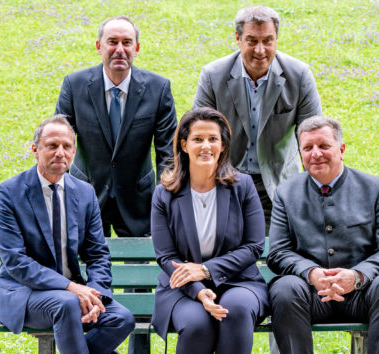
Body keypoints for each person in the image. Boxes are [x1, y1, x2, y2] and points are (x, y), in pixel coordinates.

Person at [0, 115, 134, 353]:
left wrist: (95, 293)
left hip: (75, 295)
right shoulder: (8, 194)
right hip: (25, 295)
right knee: (66, 304)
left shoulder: (85, 193)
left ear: (74, 151)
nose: (60, 152)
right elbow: (16, 262)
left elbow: (97, 254)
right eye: (52, 146)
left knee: (122, 318)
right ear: (35, 150)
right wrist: (70, 287)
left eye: (67, 146)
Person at [267, 116, 379, 354]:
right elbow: (278, 253)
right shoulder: (285, 193)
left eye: (323, 146)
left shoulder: (374, 189)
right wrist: (311, 273)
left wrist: (357, 275)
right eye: (307, 148)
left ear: (341, 149)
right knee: (284, 289)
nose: (315, 154)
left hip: (361, 295)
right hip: (310, 295)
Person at [150, 107, 269, 354]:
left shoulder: (243, 186)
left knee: (234, 310)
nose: (206, 146)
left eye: (213, 139)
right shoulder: (164, 194)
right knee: (196, 324)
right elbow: (166, 256)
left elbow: (254, 246)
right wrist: (198, 289)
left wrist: (205, 270)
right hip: (183, 287)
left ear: (223, 145)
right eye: (198, 139)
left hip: (238, 282)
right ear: (184, 145)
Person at [193, 5, 322, 224]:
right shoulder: (213, 76)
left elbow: (314, 138)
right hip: (226, 180)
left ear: (277, 39)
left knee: (276, 253)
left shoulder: (299, 76)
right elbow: (197, 136)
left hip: (278, 182)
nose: (260, 50)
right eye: (252, 41)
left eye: (267, 41)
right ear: (238, 39)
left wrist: (318, 192)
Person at [55, 15, 177, 239]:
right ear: (99, 46)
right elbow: (58, 142)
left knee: (138, 272)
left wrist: (165, 200)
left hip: (137, 200)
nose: (120, 49)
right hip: (86, 195)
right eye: (112, 42)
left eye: (127, 42)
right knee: (88, 271)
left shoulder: (158, 89)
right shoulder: (74, 86)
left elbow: (168, 152)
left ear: (137, 48)